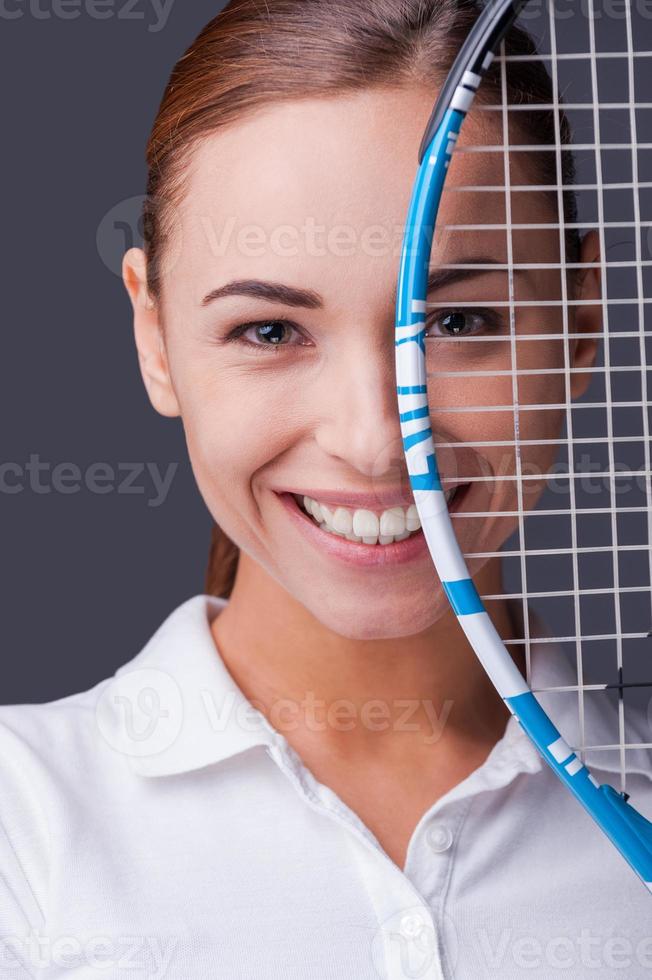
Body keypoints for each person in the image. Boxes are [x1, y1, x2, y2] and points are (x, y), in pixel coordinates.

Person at [2, 1, 651, 977]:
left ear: (580, 316)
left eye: (460, 322)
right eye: (269, 331)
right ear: (154, 336)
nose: (374, 440)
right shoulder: (21, 825)